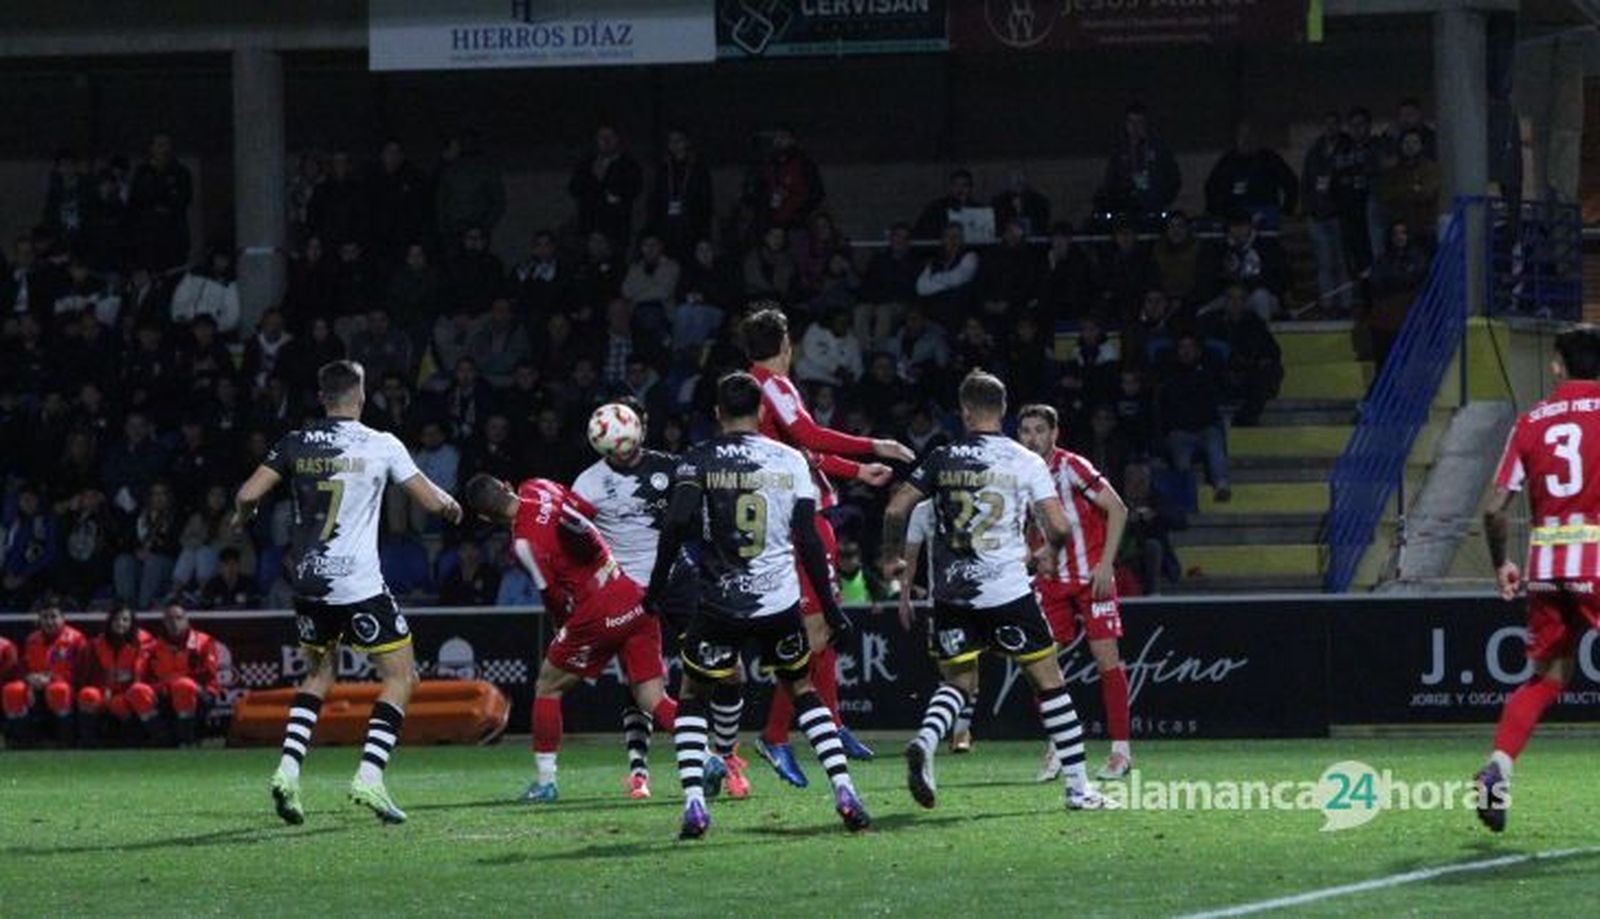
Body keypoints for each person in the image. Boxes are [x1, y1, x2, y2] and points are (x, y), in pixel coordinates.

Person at [233, 359, 463, 825]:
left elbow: (247, 493)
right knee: (402, 678)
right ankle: (370, 776)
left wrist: (247, 517)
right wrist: (454, 508)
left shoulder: (295, 442)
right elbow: (430, 501)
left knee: (319, 674)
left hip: (309, 582)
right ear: (360, 397)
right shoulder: (381, 444)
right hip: (356, 582)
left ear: (323, 397)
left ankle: (288, 771)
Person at [646, 371, 871, 839]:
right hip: (779, 602)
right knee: (802, 690)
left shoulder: (697, 460)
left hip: (718, 602)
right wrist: (831, 610)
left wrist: (656, 584)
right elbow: (809, 540)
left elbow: (677, 523)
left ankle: (693, 803)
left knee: (692, 694)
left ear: (716, 414)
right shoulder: (791, 459)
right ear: (763, 412)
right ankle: (844, 790)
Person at [879, 371, 1113, 811]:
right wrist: (1046, 552)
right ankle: (1080, 788)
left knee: (959, 684)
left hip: (951, 597)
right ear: (1003, 411)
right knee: (1050, 682)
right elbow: (1060, 525)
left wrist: (891, 557)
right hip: (1007, 591)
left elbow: (896, 507)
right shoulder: (1025, 460)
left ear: (964, 411)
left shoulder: (941, 457)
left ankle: (926, 743)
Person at [743, 308, 911, 785]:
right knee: (814, 633)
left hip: (805, 515)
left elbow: (806, 452)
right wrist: (875, 446)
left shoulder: (757, 391)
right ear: (787, 344)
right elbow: (810, 436)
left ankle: (832, 726)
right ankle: (775, 736)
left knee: (828, 630)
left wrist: (855, 472)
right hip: (798, 521)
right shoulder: (773, 385)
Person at [569, 400, 747, 798]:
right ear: (603, 445)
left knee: (726, 668)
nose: (627, 451)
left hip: (680, 581)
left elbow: (708, 518)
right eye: (619, 447)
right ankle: (639, 773)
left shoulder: (672, 467)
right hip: (628, 591)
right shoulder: (587, 485)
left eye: (631, 441)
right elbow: (576, 543)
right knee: (640, 683)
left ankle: (727, 757)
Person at [464, 474, 677, 804]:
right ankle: (706, 758)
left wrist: (563, 631)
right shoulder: (538, 485)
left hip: (595, 612)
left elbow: (550, 594)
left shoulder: (522, 543)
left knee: (547, 687)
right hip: (631, 591)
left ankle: (546, 783)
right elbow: (586, 510)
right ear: (506, 485)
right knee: (652, 698)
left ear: (484, 517)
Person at [1476, 325, 1600, 833]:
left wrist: (1501, 562)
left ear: (1558, 366)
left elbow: (1493, 510)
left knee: (1547, 679)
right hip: (1598, 558)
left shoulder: (1529, 423)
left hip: (1547, 565)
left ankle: (1499, 767)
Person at [1016, 404, 1134, 783]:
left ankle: (1120, 752)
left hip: (1091, 578)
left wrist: (1105, 565)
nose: (1032, 438)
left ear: (1054, 433)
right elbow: (1027, 530)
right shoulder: (1021, 476)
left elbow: (1118, 509)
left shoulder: (1071, 466)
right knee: (1039, 666)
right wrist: (1030, 558)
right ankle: (1060, 746)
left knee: (1107, 661)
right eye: (1026, 431)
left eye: (1039, 430)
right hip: (1051, 582)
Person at [2, 602, 87, 746]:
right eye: (45, 617)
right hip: (35, 684)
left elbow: (82, 670)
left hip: (64, 685)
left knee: (58, 690)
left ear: (63, 619)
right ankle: (20, 741)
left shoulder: (77, 639)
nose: (49, 621)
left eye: (54, 617)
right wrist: (28, 678)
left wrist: (52, 678)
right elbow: (23, 667)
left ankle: (65, 740)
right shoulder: (32, 639)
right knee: (12, 690)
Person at [143, 603, 221, 746]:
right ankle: (162, 741)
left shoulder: (203, 642)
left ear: (187, 620)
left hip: (201, 692)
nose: (174, 623)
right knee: (138, 692)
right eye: (170, 619)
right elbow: (147, 677)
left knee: (182, 686)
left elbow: (208, 673)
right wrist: (164, 686)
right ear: (164, 623)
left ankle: (187, 740)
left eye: (179, 618)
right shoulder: (153, 647)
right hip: (166, 693)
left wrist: (177, 680)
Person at [1202, 122, 1298, 226]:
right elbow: (1211, 188)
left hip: (1264, 217)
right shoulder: (1227, 161)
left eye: (1250, 136)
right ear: (1237, 138)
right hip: (1232, 218)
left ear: (1257, 138)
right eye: (1242, 136)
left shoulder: (1270, 159)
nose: (1246, 140)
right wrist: (1215, 212)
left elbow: (1291, 183)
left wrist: (1286, 211)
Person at [568, 125, 643, 249]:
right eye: (602, 137)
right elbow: (575, 188)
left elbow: (633, 189)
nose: (606, 141)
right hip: (589, 225)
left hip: (616, 228)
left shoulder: (629, 165)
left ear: (617, 139)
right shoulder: (586, 164)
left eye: (610, 137)